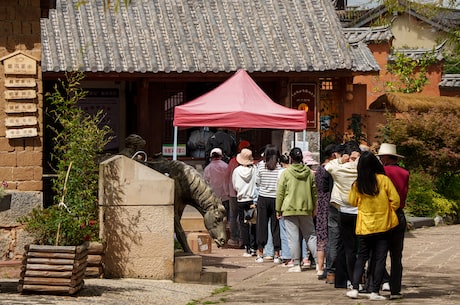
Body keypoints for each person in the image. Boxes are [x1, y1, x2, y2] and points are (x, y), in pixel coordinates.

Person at [346, 151, 400, 301]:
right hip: (383, 224)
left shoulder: (358, 184)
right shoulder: (384, 180)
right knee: (379, 258)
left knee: (361, 257)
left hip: (364, 225)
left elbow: (352, 201)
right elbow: (395, 200)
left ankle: (355, 288)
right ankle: (375, 291)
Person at [325, 141, 361, 288]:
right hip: (357, 209)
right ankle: (357, 276)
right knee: (356, 245)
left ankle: (335, 274)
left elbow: (328, 166)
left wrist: (342, 160)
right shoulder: (362, 170)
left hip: (340, 207)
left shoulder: (340, 169)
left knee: (339, 243)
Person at [276, 147, 317, 273]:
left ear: (291, 158)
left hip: (289, 208)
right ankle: (320, 263)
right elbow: (314, 192)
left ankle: (296, 264)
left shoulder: (286, 173)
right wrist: (314, 207)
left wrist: (278, 209)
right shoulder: (309, 173)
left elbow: (280, 192)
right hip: (306, 208)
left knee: (292, 237)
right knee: (311, 236)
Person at [377, 143, 409, 300]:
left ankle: (378, 283)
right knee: (396, 256)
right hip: (399, 213)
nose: (381, 159)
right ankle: (395, 289)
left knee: (379, 252)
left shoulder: (382, 173)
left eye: (382, 157)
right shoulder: (405, 173)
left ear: (387, 157)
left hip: (384, 213)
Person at [255, 144, 282, 264]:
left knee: (261, 225)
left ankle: (260, 252)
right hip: (275, 198)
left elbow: (257, 182)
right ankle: (277, 253)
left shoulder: (260, 166)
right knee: (275, 227)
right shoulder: (279, 168)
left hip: (263, 198)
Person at [314, 144, 339, 279]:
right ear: (334, 155)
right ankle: (327, 268)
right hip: (330, 202)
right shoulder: (331, 169)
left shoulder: (319, 169)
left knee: (321, 234)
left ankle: (320, 266)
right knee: (330, 236)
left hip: (321, 201)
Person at [232, 148, 258, 257]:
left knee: (243, 225)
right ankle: (253, 247)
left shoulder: (236, 171)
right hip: (251, 200)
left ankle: (246, 247)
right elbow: (257, 182)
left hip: (241, 199)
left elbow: (235, 185)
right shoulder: (254, 169)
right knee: (253, 223)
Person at [226, 140, 251, 248]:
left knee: (233, 216)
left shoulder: (232, 162)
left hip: (233, 193)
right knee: (246, 218)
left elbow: (227, 178)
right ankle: (243, 239)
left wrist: (227, 190)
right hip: (247, 195)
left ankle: (233, 238)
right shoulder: (252, 167)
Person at [204, 148, 230, 220]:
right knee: (226, 213)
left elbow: (206, 182)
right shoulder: (226, 166)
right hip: (225, 194)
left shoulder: (208, 168)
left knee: (215, 214)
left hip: (213, 195)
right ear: (221, 156)